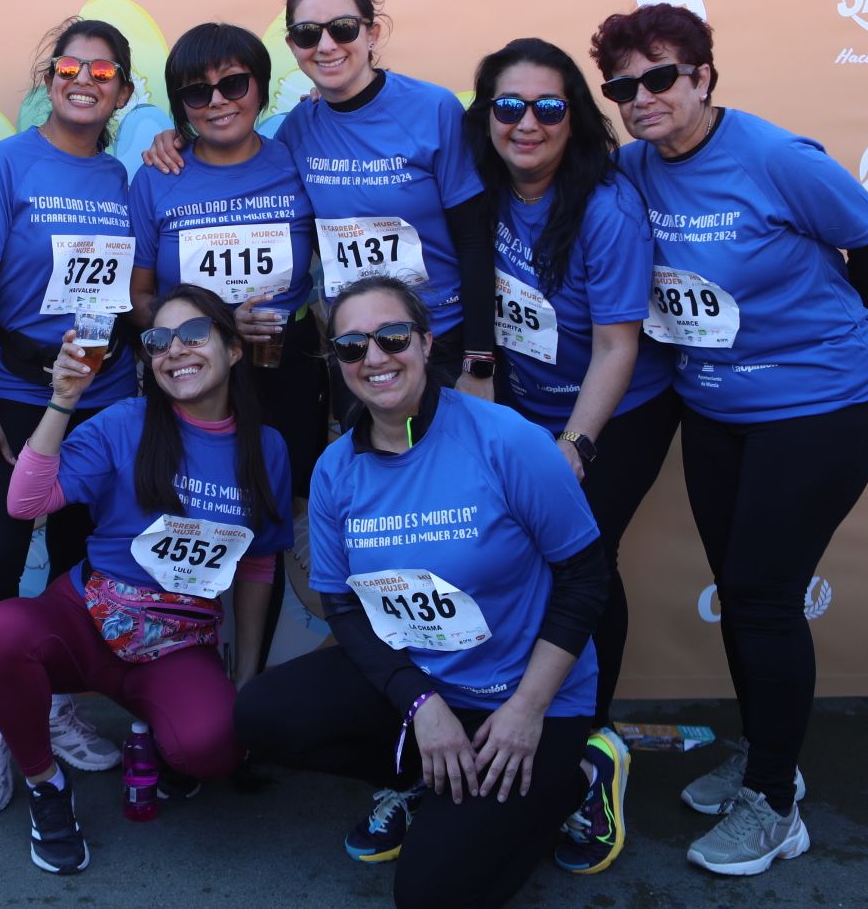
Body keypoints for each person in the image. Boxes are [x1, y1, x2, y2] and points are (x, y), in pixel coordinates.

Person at [589, 4, 868, 877]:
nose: (641, 98)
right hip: (717, 411)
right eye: (622, 86)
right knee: (741, 590)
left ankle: (774, 803)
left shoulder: (773, 158)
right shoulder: (632, 169)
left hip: (823, 410)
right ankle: (772, 756)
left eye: (660, 78)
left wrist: (815, 334)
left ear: (703, 78)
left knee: (763, 596)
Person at [235, 275, 607, 909]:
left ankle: (579, 778)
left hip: (524, 705)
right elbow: (345, 608)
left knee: (430, 894)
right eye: (351, 347)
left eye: (391, 337)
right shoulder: (335, 469)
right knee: (258, 717)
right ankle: (428, 776)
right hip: (426, 683)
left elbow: (585, 576)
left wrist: (525, 711)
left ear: (426, 341)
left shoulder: (506, 439)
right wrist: (420, 703)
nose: (374, 358)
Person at [0, 285, 293, 874]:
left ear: (234, 350)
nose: (176, 351)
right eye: (159, 341)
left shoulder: (265, 447)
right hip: (87, 619)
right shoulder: (125, 422)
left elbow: (258, 563)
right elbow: (26, 502)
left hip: (175, 644)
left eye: (194, 334)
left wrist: (247, 674)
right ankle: (46, 787)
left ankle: (157, 734)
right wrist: (63, 401)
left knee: (215, 749)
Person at [464, 38, 680, 875]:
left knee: (583, 558)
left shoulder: (605, 207)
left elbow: (619, 347)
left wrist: (575, 448)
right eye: (507, 107)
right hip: (523, 403)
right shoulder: (478, 186)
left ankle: (591, 751)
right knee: (513, 556)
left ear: (576, 119)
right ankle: (511, 720)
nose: (526, 123)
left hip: (615, 411)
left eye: (548, 108)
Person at [0, 18, 140, 816]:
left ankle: (55, 709)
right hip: (17, 397)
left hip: (103, 400)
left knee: (76, 571)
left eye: (103, 71)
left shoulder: (128, 181)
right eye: (70, 66)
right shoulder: (4, 165)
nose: (85, 79)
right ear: (48, 80)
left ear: (124, 93)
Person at [144, 0, 494, 399]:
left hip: (436, 340)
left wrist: (479, 362)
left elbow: (476, 243)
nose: (326, 45)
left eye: (343, 28)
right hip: (352, 348)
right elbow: (235, 157)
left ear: (373, 33)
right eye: (308, 34)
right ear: (293, 46)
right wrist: (179, 138)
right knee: (366, 463)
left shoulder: (433, 108)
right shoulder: (299, 129)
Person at [129, 21, 326, 496]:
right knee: (197, 503)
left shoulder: (300, 163)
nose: (217, 101)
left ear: (258, 87)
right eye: (197, 93)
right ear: (182, 108)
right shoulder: (157, 176)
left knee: (288, 503)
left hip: (286, 361)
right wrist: (213, 326)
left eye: (233, 83)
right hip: (189, 366)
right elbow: (136, 297)